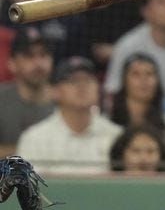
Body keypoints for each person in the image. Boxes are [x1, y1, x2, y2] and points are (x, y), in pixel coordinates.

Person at [16, 57, 122, 175]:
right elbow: (28, 188)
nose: (82, 86)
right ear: (55, 91)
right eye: (73, 80)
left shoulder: (116, 135)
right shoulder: (34, 139)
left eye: (88, 80)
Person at [0, 28, 54, 157]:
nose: (38, 63)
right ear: (12, 64)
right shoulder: (1, 99)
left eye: (44, 55)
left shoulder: (66, 100)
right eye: (29, 56)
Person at [109, 52, 165, 144]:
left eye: (149, 74)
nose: (143, 80)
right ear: (124, 81)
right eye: (136, 74)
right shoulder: (108, 126)